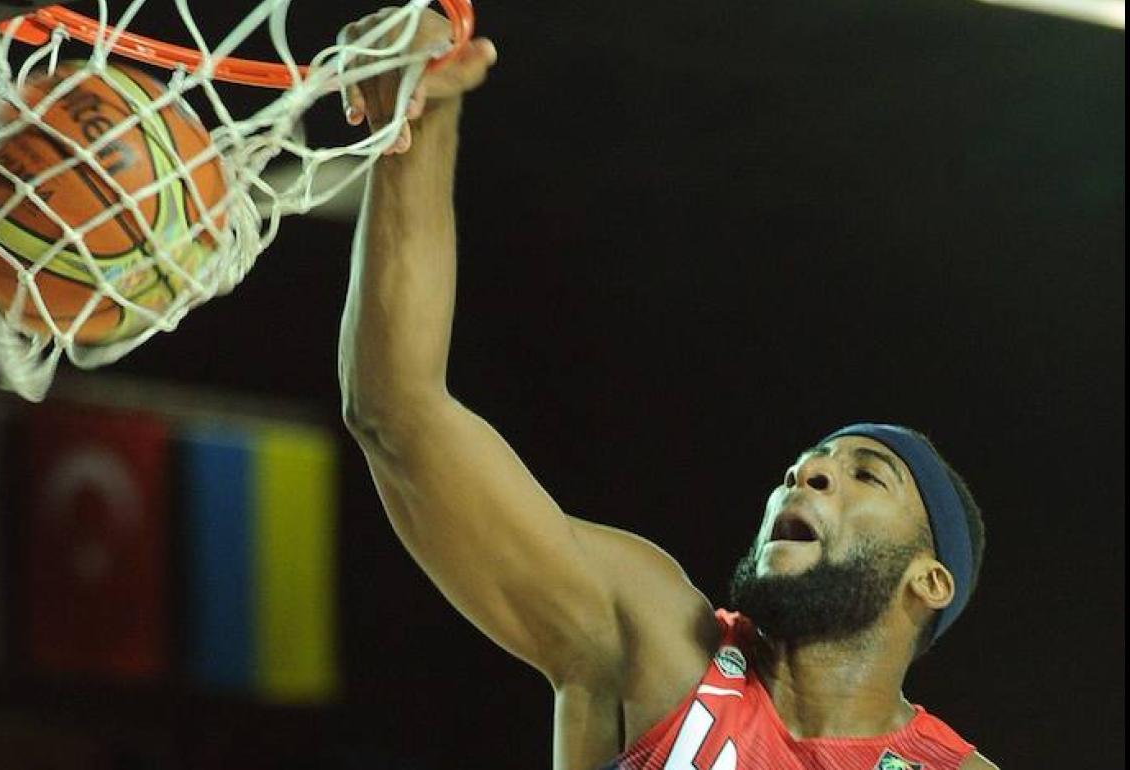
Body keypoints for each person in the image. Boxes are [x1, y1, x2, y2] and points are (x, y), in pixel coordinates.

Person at [336, 9, 999, 770]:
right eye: (808, 465)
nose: (806, 476)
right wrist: (418, 120)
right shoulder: (654, 639)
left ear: (929, 581)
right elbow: (397, 413)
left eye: (867, 476)